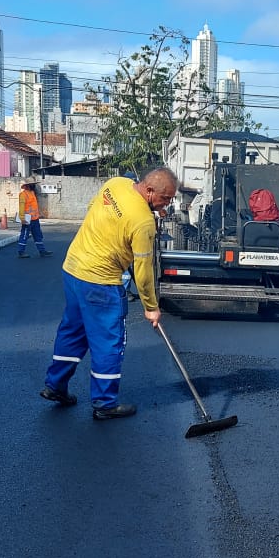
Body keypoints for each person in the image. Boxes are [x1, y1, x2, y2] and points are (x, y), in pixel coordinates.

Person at [40, 167, 178, 421]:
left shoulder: (116, 185)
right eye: (166, 198)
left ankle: (55, 386)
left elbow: (94, 206)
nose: (168, 204)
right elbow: (144, 270)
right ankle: (105, 403)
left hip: (73, 269)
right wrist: (151, 306)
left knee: (73, 330)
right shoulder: (143, 223)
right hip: (100, 282)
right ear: (149, 191)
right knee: (108, 342)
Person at [17, 180, 52, 258]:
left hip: (35, 218)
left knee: (38, 235)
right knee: (24, 235)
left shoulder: (32, 193)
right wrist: (22, 218)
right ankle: (21, 252)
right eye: (33, 184)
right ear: (28, 185)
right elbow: (21, 207)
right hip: (27, 219)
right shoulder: (23, 194)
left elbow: (34, 206)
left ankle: (42, 251)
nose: (34, 186)